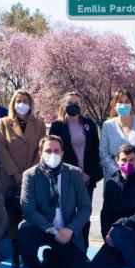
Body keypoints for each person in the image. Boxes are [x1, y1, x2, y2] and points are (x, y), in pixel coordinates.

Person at [18, 135, 92, 268]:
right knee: (25, 236)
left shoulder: (75, 173)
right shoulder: (30, 175)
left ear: (62, 153)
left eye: (56, 151)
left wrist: (70, 230)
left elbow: (85, 207)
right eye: (48, 150)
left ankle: (50, 259)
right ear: (40, 153)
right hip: (41, 227)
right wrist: (51, 229)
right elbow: (28, 210)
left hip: (66, 231)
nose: (53, 154)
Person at [48, 91, 103, 251]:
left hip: (87, 177)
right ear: (63, 105)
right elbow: (54, 151)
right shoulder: (57, 126)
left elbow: (95, 151)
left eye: (77, 103)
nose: (74, 105)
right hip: (65, 178)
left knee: (84, 214)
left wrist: (89, 174)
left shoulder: (89, 124)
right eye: (70, 102)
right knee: (67, 213)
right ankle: (65, 247)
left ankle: (82, 247)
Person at [0, 89, 46, 267]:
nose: (22, 104)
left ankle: (27, 251)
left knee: (29, 213)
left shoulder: (39, 124)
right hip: (9, 176)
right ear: (13, 103)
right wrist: (15, 173)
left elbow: (41, 150)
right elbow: (2, 151)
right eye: (19, 100)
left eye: (25, 100)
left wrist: (28, 174)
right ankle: (14, 251)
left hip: (32, 177)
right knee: (10, 214)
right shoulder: (3, 123)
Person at [99, 90, 135, 179]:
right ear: (114, 105)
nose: (123, 104)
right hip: (115, 179)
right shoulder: (108, 126)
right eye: (120, 102)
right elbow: (103, 153)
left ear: (132, 104)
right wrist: (118, 172)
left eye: (127, 101)